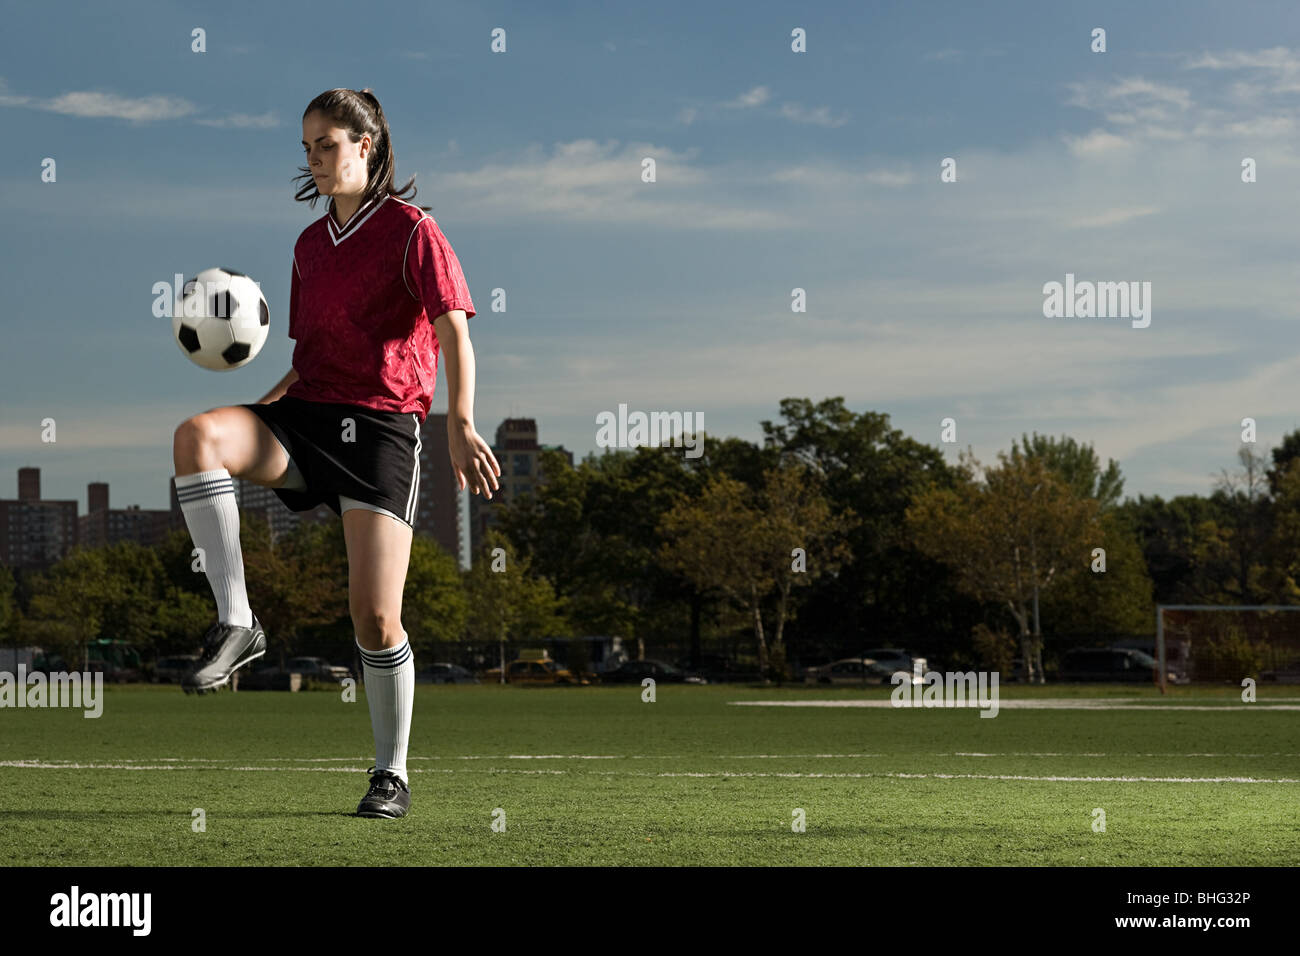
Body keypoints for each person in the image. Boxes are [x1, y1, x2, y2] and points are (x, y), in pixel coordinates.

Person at [170, 88, 500, 819]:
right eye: (308, 148)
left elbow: (454, 333)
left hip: (383, 431)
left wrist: (459, 421)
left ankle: (392, 774)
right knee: (198, 436)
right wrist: (267, 406)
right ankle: (238, 623)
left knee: (375, 619)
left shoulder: (414, 231)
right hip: (311, 413)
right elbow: (310, 354)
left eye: (329, 144)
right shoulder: (307, 245)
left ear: (367, 144)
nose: (317, 159)